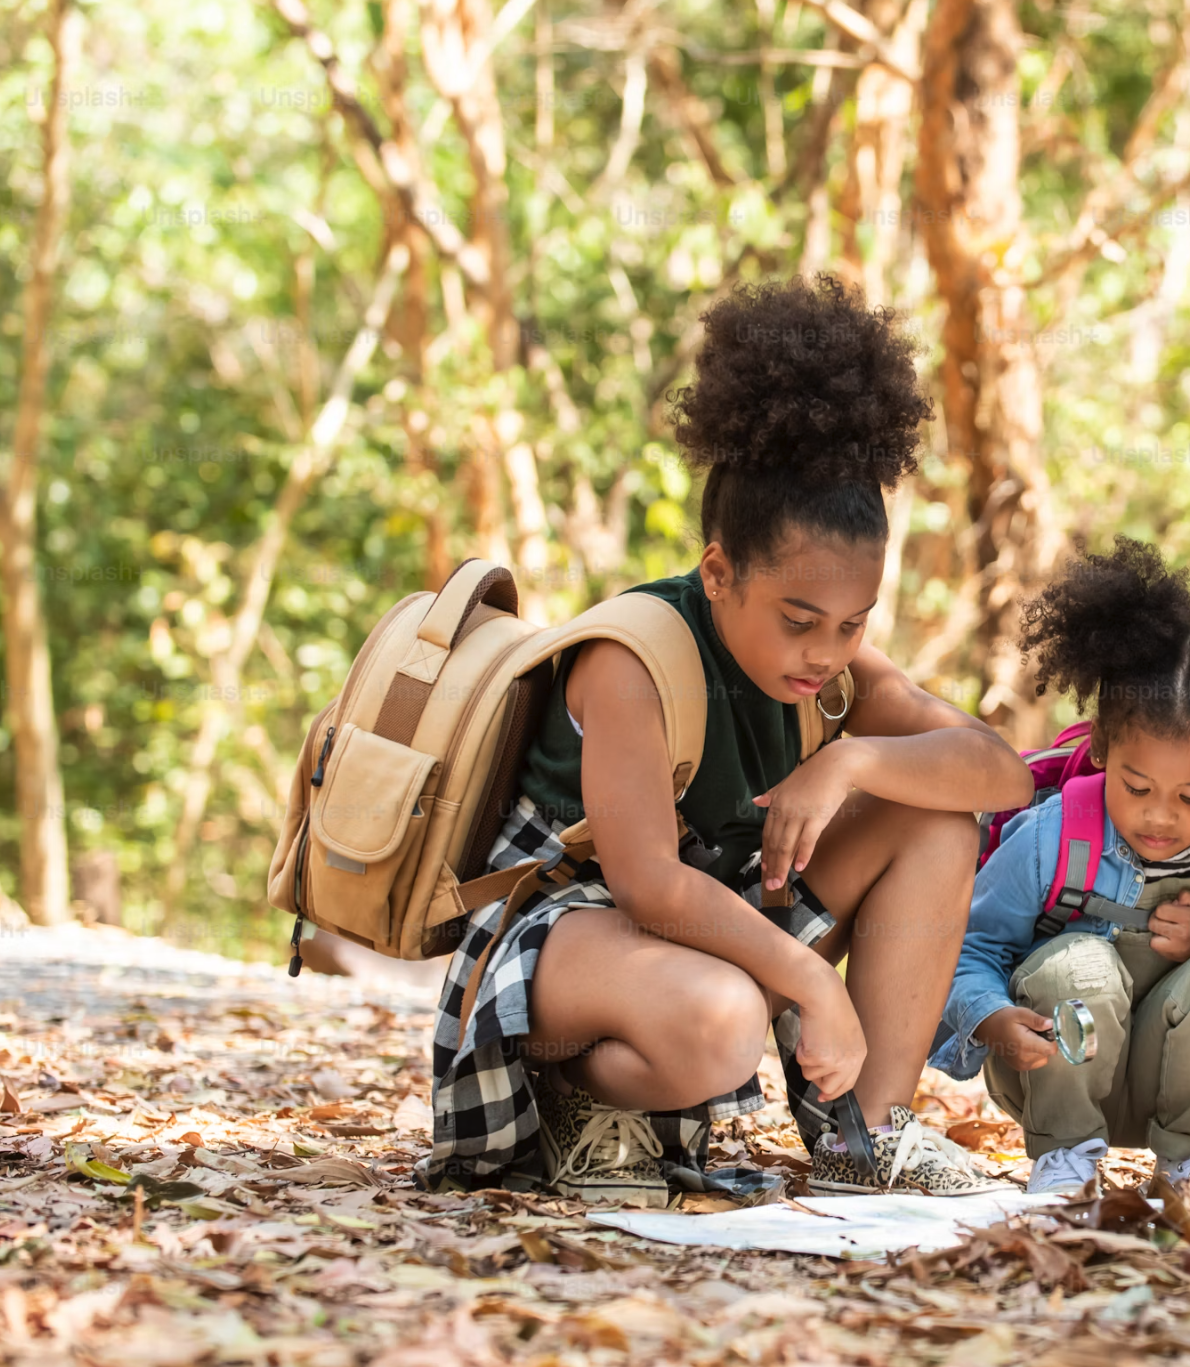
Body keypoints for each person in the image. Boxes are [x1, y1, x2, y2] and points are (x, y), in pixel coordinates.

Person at [428, 276, 1034, 1204]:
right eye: (799, 618)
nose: (824, 651)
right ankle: (573, 1106)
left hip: (702, 930)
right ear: (718, 570)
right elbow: (647, 885)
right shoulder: (634, 657)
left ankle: (862, 1139)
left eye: (850, 623)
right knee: (724, 1018)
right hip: (563, 936)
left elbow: (1001, 777)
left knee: (935, 818)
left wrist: (854, 758)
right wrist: (816, 987)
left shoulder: (833, 676)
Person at [930, 542, 1190, 1199]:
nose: (1161, 816)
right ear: (1101, 745)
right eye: (1135, 787)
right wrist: (989, 1017)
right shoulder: (1052, 837)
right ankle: (1067, 1165)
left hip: (1185, 1076)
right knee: (1080, 965)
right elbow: (970, 947)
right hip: (1058, 1071)